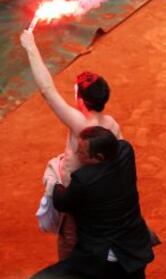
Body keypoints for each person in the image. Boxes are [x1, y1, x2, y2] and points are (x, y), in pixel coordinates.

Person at [20, 29, 121, 258]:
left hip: (79, 209)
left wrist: (30, 47)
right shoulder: (112, 125)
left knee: (76, 267)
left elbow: (47, 90)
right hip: (102, 203)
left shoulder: (80, 124)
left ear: (81, 99)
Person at [26, 126, 154, 279]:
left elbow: (62, 202)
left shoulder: (84, 181)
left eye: (81, 154)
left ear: (98, 157)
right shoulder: (125, 151)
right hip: (134, 253)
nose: (76, 155)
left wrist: (53, 179)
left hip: (100, 262)